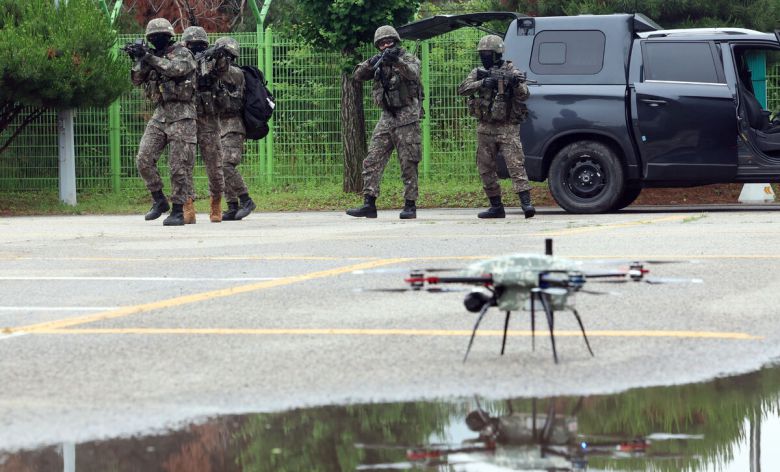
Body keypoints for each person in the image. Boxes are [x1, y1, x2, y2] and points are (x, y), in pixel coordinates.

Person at [346, 25, 423, 220]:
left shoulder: (407, 58)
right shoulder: (380, 61)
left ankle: (410, 205)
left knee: (408, 162)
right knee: (373, 159)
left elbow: (413, 73)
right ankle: (369, 203)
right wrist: (372, 63)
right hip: (387, 117)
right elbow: (358, 75)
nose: (385, 46)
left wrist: (396, 61)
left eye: (389, 42)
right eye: (381, 43)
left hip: (407, 117)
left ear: (396, 41)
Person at [457, 34, 535, 219]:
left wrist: (515, 84)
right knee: (485, 168)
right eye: (482, 53)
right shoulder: (478, 72)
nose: (484, 57)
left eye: (487, 53)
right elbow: (462, 89)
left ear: (497, 53)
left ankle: (526, 204)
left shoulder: (511, 70)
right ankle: (496, 207)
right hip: (485, 127)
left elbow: (524, 95)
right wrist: (483, 82)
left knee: (516, 166)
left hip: (507, 127)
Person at [130, 18, 197, 226]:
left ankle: (178, 210)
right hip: (161, 114)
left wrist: (149, 57)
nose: (157, 40)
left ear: (169, 37)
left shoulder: (183, 53)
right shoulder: (153, 56)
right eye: (153, 38)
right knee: (143, 157)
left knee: (178, 166)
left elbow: (174, 69)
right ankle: (159, 200)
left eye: (161, 37)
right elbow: (136, 80)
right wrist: (138, 59)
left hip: (182, 114)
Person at [182, 26, 225, 223]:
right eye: (192, 46)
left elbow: (225, 69)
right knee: (184, 164)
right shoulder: (182, 60)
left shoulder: (214, 61)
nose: (196, 49)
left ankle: (216, 204)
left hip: (209, 120)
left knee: (215, 166)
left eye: (200, 46)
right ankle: (187, 205)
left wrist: (215, 56)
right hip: (187, 118)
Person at [213, 36, 256, 221]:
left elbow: (223, 72)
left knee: (226, 165)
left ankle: (246, 199)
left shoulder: (236, 73)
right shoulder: (216, 72)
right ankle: (232, 206)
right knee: (221, 167)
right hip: (219, 126)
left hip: (233, 126)